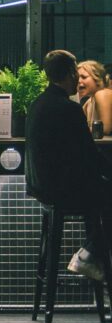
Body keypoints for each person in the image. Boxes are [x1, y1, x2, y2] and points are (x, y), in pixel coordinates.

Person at [26, 51, 111, 282]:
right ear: (71, 73)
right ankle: (90, 254)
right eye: (77, 74)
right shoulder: (67, 108)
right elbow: (90, 155)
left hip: (44, 189)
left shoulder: (38, 104)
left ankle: (91, 255)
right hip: (63, 191)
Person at [77, 60, 112, 136]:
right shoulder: (88, 102)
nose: (79, 81)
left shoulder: (102, 94)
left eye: (84, 77)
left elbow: (105, 129)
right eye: (77, 78)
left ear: (98, 78)